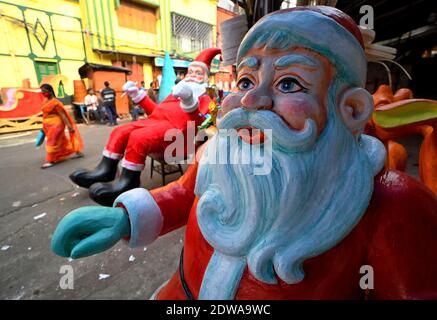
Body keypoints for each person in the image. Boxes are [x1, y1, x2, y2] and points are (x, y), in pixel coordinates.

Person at [51, 7, 437, 299]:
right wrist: (123, 220)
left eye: (289, 83)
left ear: (350, 109)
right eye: (247, 79)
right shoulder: (218, 157)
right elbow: (185, 195)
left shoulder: (393, 205)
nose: (252, 99)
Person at [69, 48, 221, 206]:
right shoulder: (174, 94)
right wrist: (137, 95)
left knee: (139, 137)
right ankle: (106, 170)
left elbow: (199, 124)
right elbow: (156, 112)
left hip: (180, 138)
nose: (192, 76)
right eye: (190, 72)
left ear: (205, 77)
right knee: (120, 130)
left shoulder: (205, 98)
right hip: (159, 124)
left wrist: (189, 101)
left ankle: (128, 182)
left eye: (198, 73)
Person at [40, 84, 84, 169]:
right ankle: (77, 152)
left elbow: (63, 115)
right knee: (61, 141)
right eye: (42, 91)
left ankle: (51, 160)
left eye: (44, 91)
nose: (42, 93)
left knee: (52, 142)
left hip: (56, 126)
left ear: (50, 91)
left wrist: (69, 126)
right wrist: (43, 126)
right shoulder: (45, 101)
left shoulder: (55, 102)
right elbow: (45, 115)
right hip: (48, 126)